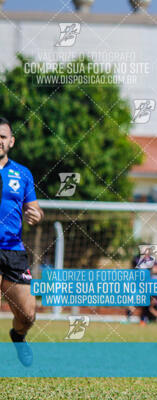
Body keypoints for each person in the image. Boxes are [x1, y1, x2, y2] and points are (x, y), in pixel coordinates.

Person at [0, 117, 44, 366]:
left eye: (3, 137)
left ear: (11, 142)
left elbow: (35, 210)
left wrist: (36, 215)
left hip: (14, 252)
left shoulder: (22, 173)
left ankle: (18, 337)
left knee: (28, 314)